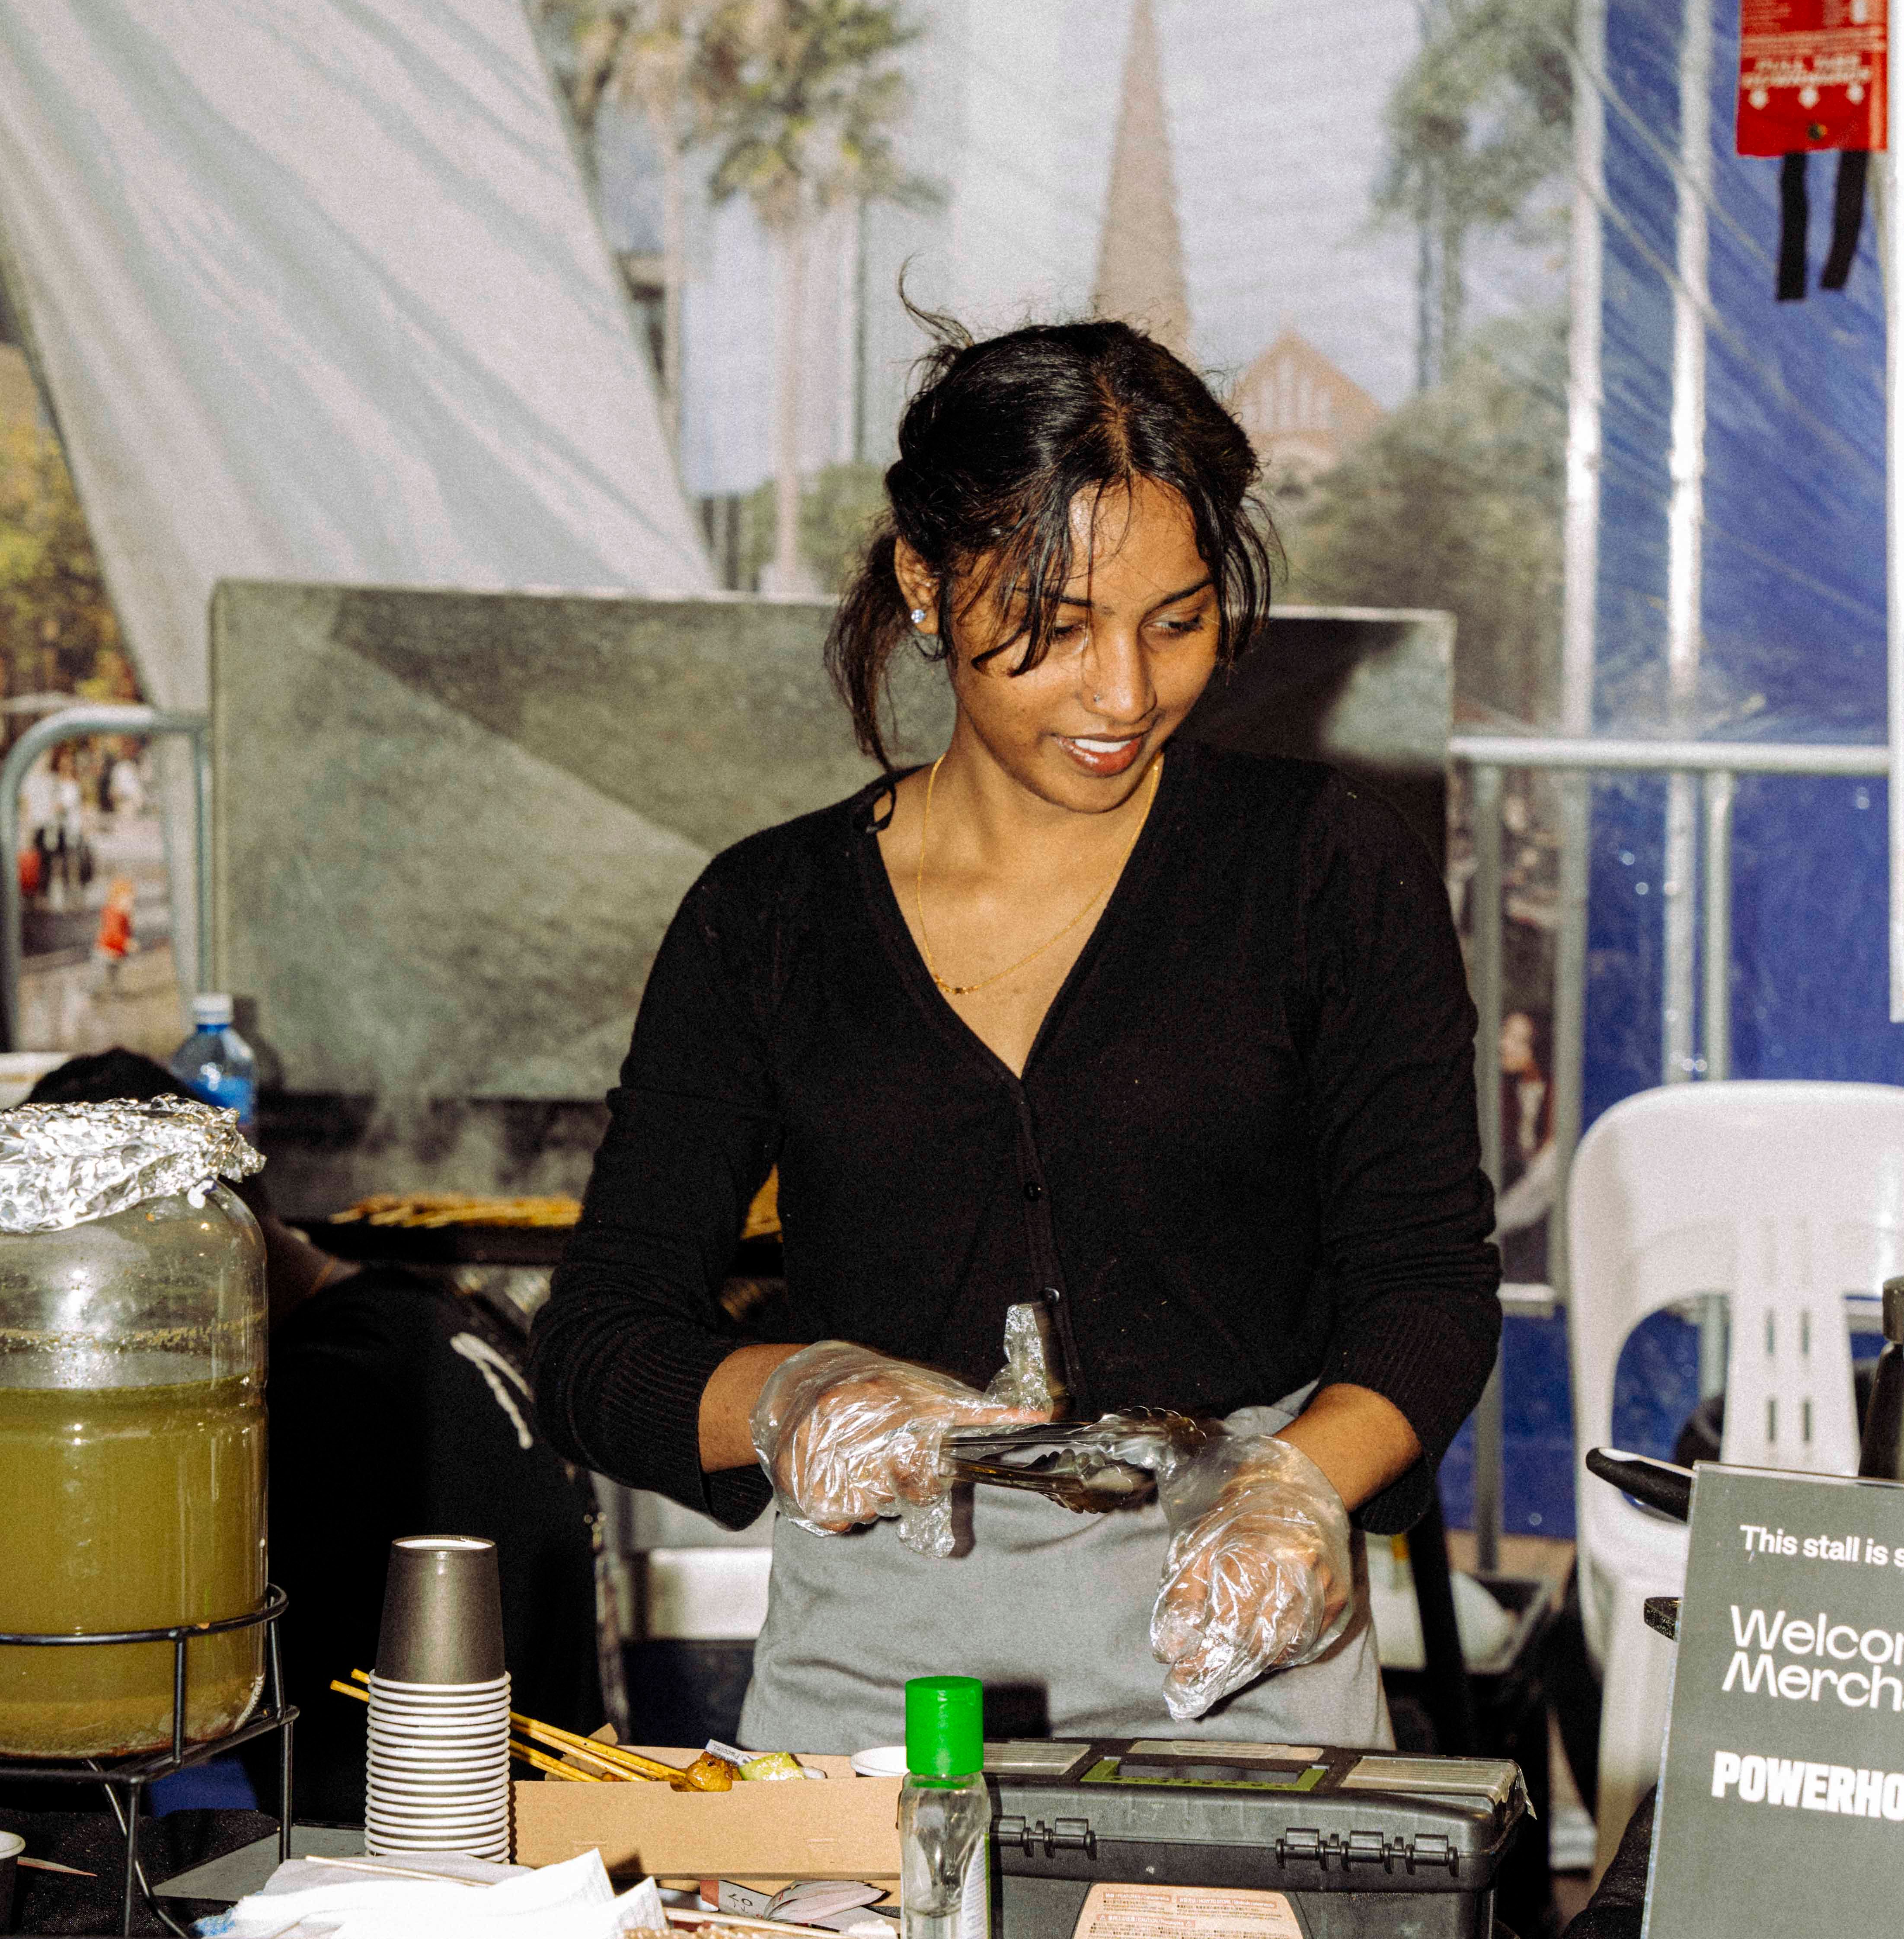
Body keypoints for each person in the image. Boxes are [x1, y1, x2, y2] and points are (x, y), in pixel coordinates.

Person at [532, 316, 1500, 1754]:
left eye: (1174, 622)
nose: (1124, 695)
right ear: (922, 584)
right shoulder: (770, 917)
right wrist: (795, 1397)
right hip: (876, 1679)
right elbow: (598, 1348)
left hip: (1239, 1644)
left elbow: (1427, 1286)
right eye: (1051, 632)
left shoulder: (1320, 872)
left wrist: (1295, 1487)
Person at [26, 1052, 606, 1820]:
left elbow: (135, 1670)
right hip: (551, 1815)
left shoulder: (322, 1394)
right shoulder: (412, 1315)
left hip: (417, 1841)